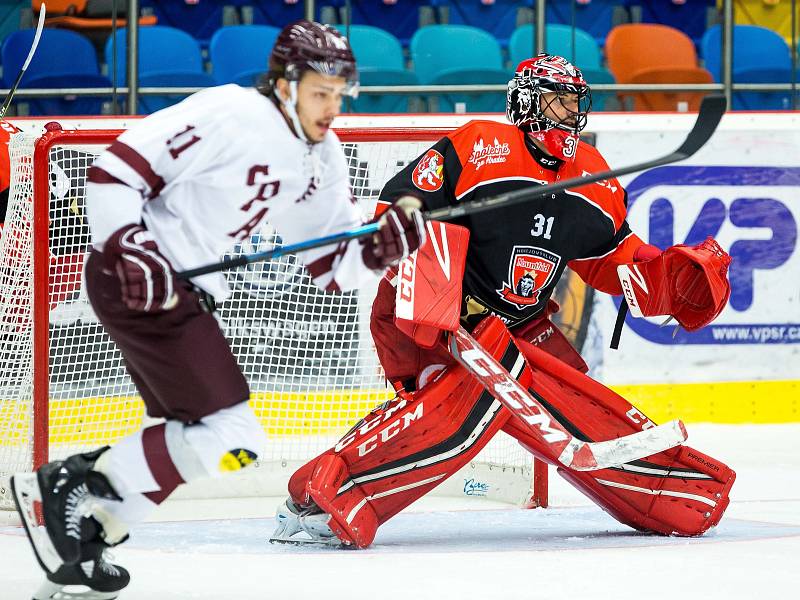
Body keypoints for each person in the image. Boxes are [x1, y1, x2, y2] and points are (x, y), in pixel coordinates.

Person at [11, 19, 426, 599]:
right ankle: (64, 490)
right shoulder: (229, 114)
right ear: (285, 83)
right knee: (228, 436)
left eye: (338, 93)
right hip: (134, 277)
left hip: (184, 290)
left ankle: (86, 540)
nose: (330, 107)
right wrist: (132, 246)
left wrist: (380, 249)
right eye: (319, 92)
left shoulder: (321, 157)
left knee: (195, 436)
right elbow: (114, 170)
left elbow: (333, 269)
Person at [271, 54, 736, 548]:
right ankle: (325, 494)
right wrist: (409, 214)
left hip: (511, 333)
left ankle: (676, 495)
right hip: (432, 318)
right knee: (463, 414)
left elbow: (611, 257)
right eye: (558, 102)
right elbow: (405, 198)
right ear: (528, 103)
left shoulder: (593, 176)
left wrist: (664, 277)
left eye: (576, 104)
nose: (570, 115)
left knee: (576, 410)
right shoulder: (483, 145)